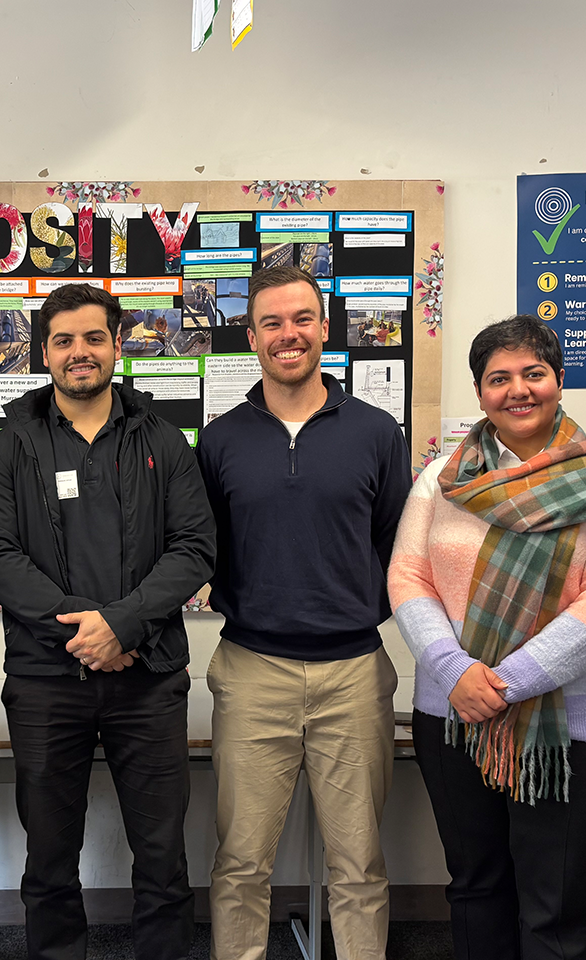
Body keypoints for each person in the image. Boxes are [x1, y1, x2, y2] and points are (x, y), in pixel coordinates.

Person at [387, 315, 586, 960]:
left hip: (577, 735)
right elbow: (409, 577)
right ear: (480, 392)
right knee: (475, 891)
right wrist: (451, 671)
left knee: (558, 912)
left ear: (558, 381)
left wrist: (501, 684)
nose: (517, 390)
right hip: (455, 718)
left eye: (533, 374)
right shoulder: (442, 480)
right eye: (499, 378)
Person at [0, 282, 215, 960]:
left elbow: (194, 547)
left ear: (116, 344)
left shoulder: (163, 440)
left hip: (149, 677)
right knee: (49, 854)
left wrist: (125, 626)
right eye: (64, 340)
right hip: (48, 681)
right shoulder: (12, 443)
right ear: (43, 353)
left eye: (93, 338)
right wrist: (88, 634)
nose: (80, 352)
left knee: (163, 853)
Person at [196, 264, 410, 960]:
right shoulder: (221, 438)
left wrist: (351, 610)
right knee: (240, 863)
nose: (288, 335)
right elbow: (204, 546)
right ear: (251, 335)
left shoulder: (377, 432)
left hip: (354, 673)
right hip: (253, 670)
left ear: (324, 327)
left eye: (301, 320)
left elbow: (395, 543)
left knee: (359, 866)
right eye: (272, 323)